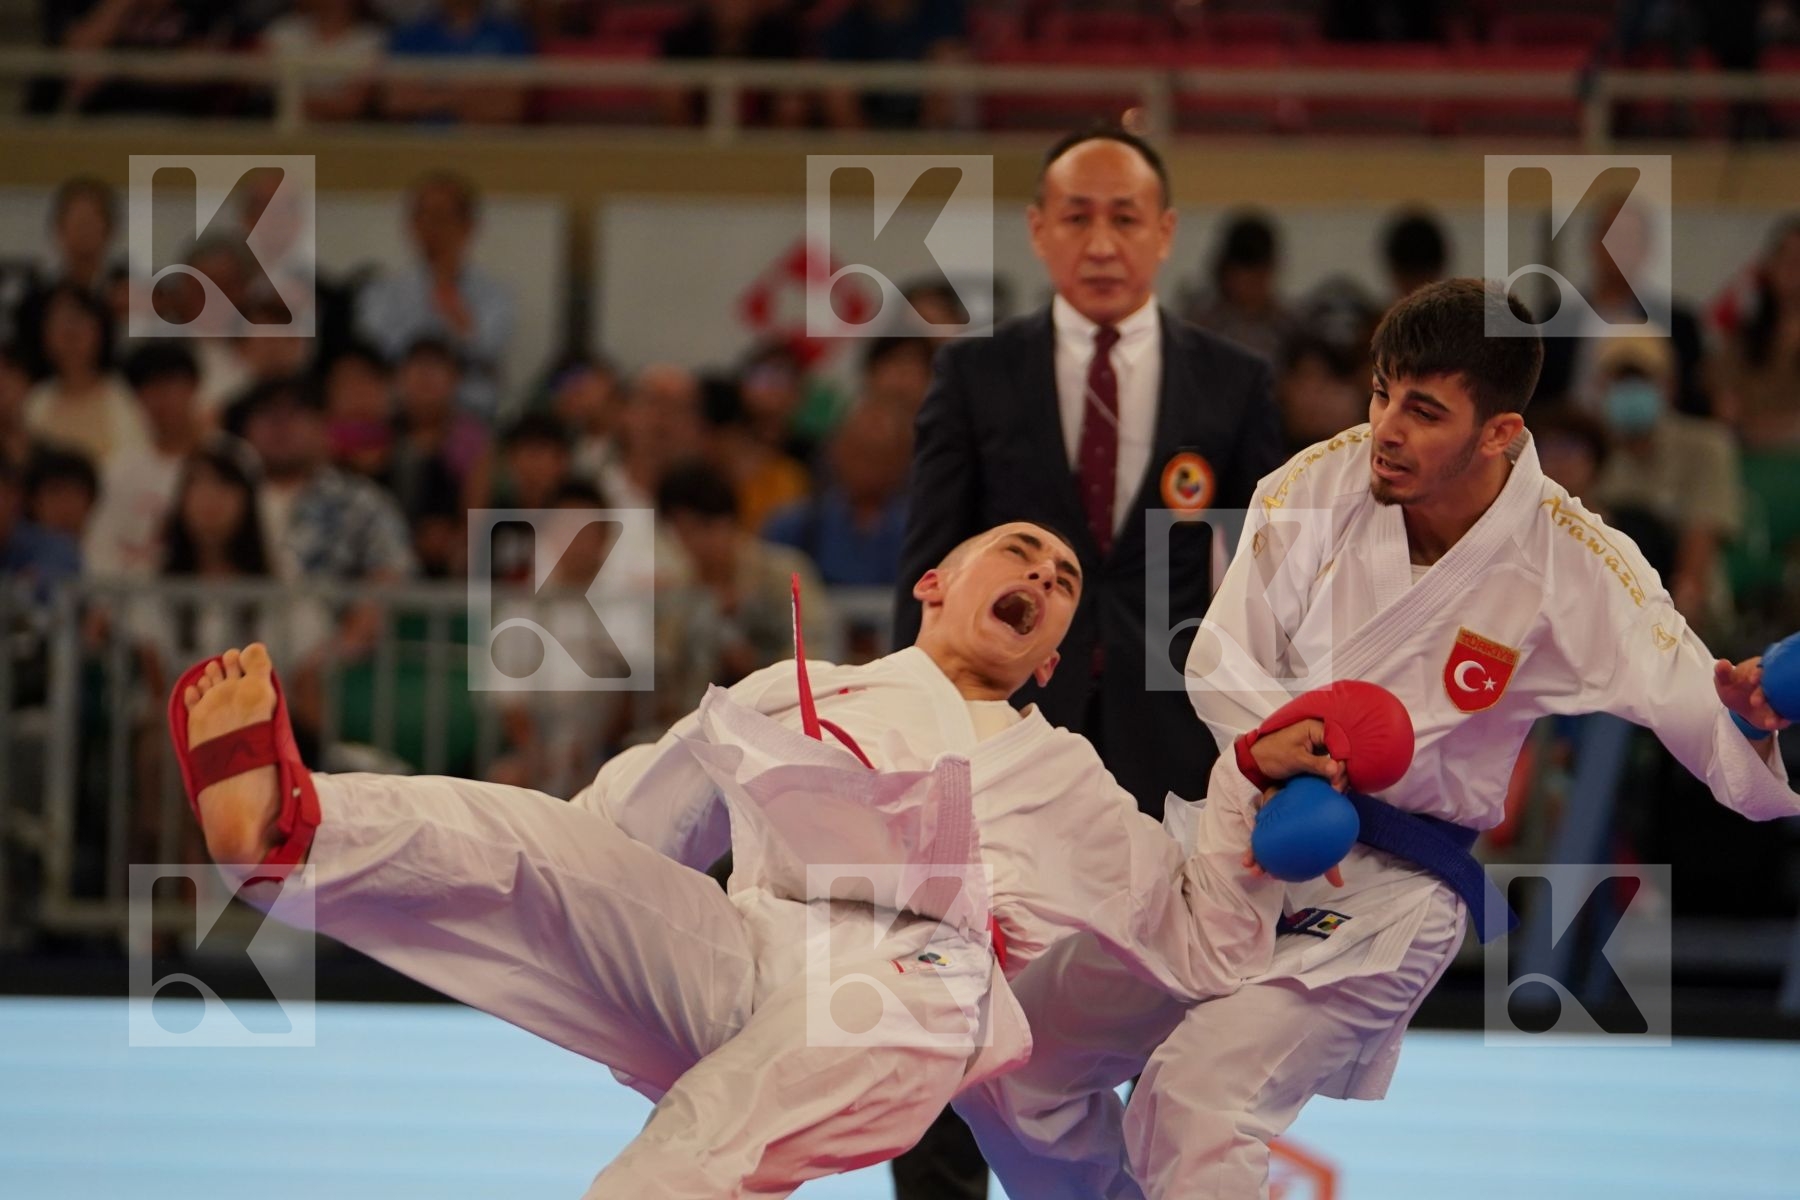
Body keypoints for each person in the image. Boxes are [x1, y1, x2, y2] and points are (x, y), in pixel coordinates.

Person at [959, 278, 1799, 1199]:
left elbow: (1707, 728)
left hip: (1398, 888)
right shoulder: (1321, 480)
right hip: (1254, 835)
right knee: (1011, 1060)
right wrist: (1279, 740)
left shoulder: (1579, 567)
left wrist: (1749, 720)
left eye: (1424, 410)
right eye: (1381, 392)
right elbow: (1219, 653)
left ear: (1499, 433)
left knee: (1198, 1097)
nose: (1387, 428)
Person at [169, 521, 1301, 1197]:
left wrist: (1256, 779)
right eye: (1022, 553)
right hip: (748, 945)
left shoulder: (1067, 778)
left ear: (1054, 661)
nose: (1045, 576)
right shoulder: (791, 690)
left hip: (914, 974)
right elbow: (625, 828)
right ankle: (293, 832)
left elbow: (1195, 927)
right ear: (934, 585)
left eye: (1062, 585)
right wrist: (578, 891)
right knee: (539, 842)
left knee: (729, 1119)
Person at [896, 126, 1285, 820]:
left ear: (1165, 233)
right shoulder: (975, 373)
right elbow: (930, 558)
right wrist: (910, 713)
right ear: (1039, 230)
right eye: (1077, 218)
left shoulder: (1234, 382)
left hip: (1173, 719)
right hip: (1005, 711)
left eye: (1125, 219)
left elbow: (1275, 576)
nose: (1101, 244)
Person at [1587, 335, 1742, 634]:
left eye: (1641, 379)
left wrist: (1674, 621)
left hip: (1685, 611)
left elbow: (1702, 535)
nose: (1629, 392)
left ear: (1669, 386)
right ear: (1600, 389)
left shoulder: (1706, 445)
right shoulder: (1588, 450)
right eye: (1619, 380)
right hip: (1603, 608)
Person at [354, 171, 516, 417]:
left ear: (468, 226)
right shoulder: (382, 292)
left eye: (442, 217)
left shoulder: (496, 295)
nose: (432, 228)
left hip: (471, 412)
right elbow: (378, 350)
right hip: (398, 413)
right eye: (422, 216)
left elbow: (488, 351)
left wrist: (458, 317)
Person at [84, 341, 206, 579]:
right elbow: (102, 548)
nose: (162, 399)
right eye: (149, 389)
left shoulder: (231, 459)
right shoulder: (119, 469)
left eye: (170, 385)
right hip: (133, 601)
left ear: (194, 387)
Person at [23, 283, 145, 471]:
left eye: (79, 320)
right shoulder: (34, 402)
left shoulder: (127, 396)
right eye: (59, 322)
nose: (70, 331)